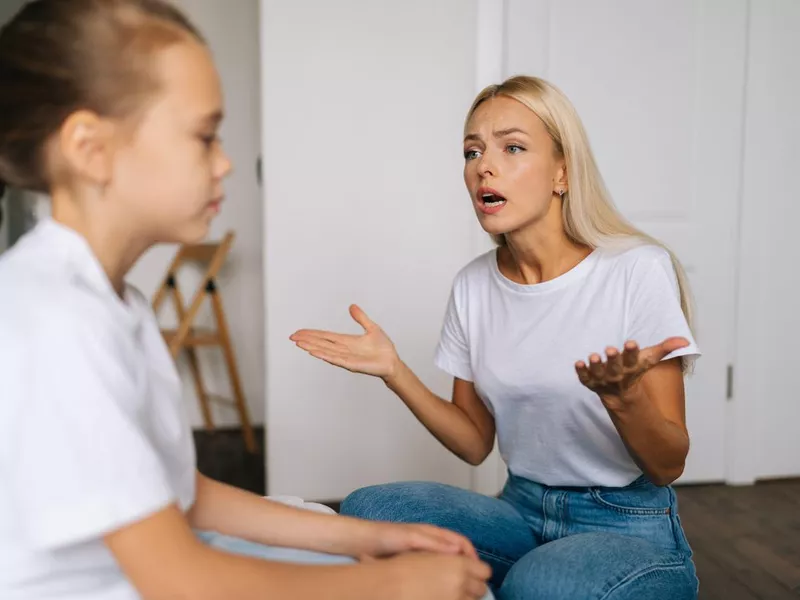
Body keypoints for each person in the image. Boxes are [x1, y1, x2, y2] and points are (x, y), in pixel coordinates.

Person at [0, 1, 494, 599]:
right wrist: (390, 584)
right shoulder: (53, 318)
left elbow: (186, 493)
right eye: (204, 137)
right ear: (91, 149)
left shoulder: (116, 303)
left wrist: (362, 539)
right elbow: (177, 577)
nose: (225, 162)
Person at [291, 75, 701, 600]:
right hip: (520, 511)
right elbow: (474, 442)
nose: (484, 165)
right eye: (472, 150)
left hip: (626, 524)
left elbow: (669, 463)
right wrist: (395, 372)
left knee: (541, 582)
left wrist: (624, 401)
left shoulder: (637, 269)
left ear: (562, 172)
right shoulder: (474, 285)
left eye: (512, 147)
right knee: (373, 511)